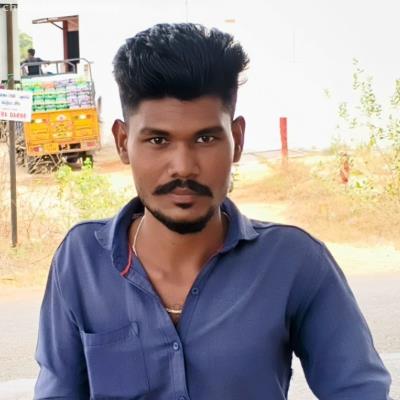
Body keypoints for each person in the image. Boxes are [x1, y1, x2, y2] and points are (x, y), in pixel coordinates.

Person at [34, 23, 392, 399]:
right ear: (123, 142)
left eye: (205, 138)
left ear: (237, 139)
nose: (183, 167)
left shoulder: (294, 262)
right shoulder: (82, 261)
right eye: (158, 140)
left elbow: (359, 390)